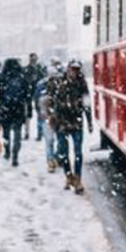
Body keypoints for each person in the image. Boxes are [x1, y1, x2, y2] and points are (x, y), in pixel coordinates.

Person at [51, 59, 92, 193]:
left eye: (77, 69)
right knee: (63, 152)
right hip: (61, 122)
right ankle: (68, 176)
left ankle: (78, 179)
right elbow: (51, 101)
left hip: (76, 121)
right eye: (72, 69)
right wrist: (52, 117)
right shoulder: (58, 82)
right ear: (68, 69)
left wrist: (90, 121)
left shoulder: (82, 84)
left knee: (78, 152)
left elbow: (87, 104)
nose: (74, 72)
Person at [0, 58, 31, 167]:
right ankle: (15, 155)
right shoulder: (22, 78)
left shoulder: (1, 78)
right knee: (17, 133)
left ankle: (7, 151)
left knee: (6, 133)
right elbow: (27, 96)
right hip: (18, 110)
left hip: (5, 110)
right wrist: (28, 111)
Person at [35, 60, 64, 173]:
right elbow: (37, 101)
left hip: (55, 116)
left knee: (57, 140)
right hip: (47, 116)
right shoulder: (41, 85)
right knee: (50, 140)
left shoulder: (61, 85)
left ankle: (54, 159)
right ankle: (51, 161)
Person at [24, 53, 45, 140]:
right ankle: (28, 133)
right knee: (29, 115)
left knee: (37, 114)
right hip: (32, 93)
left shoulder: (36, 69)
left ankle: (38, 133)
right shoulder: (33, 69)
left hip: (35, 93)